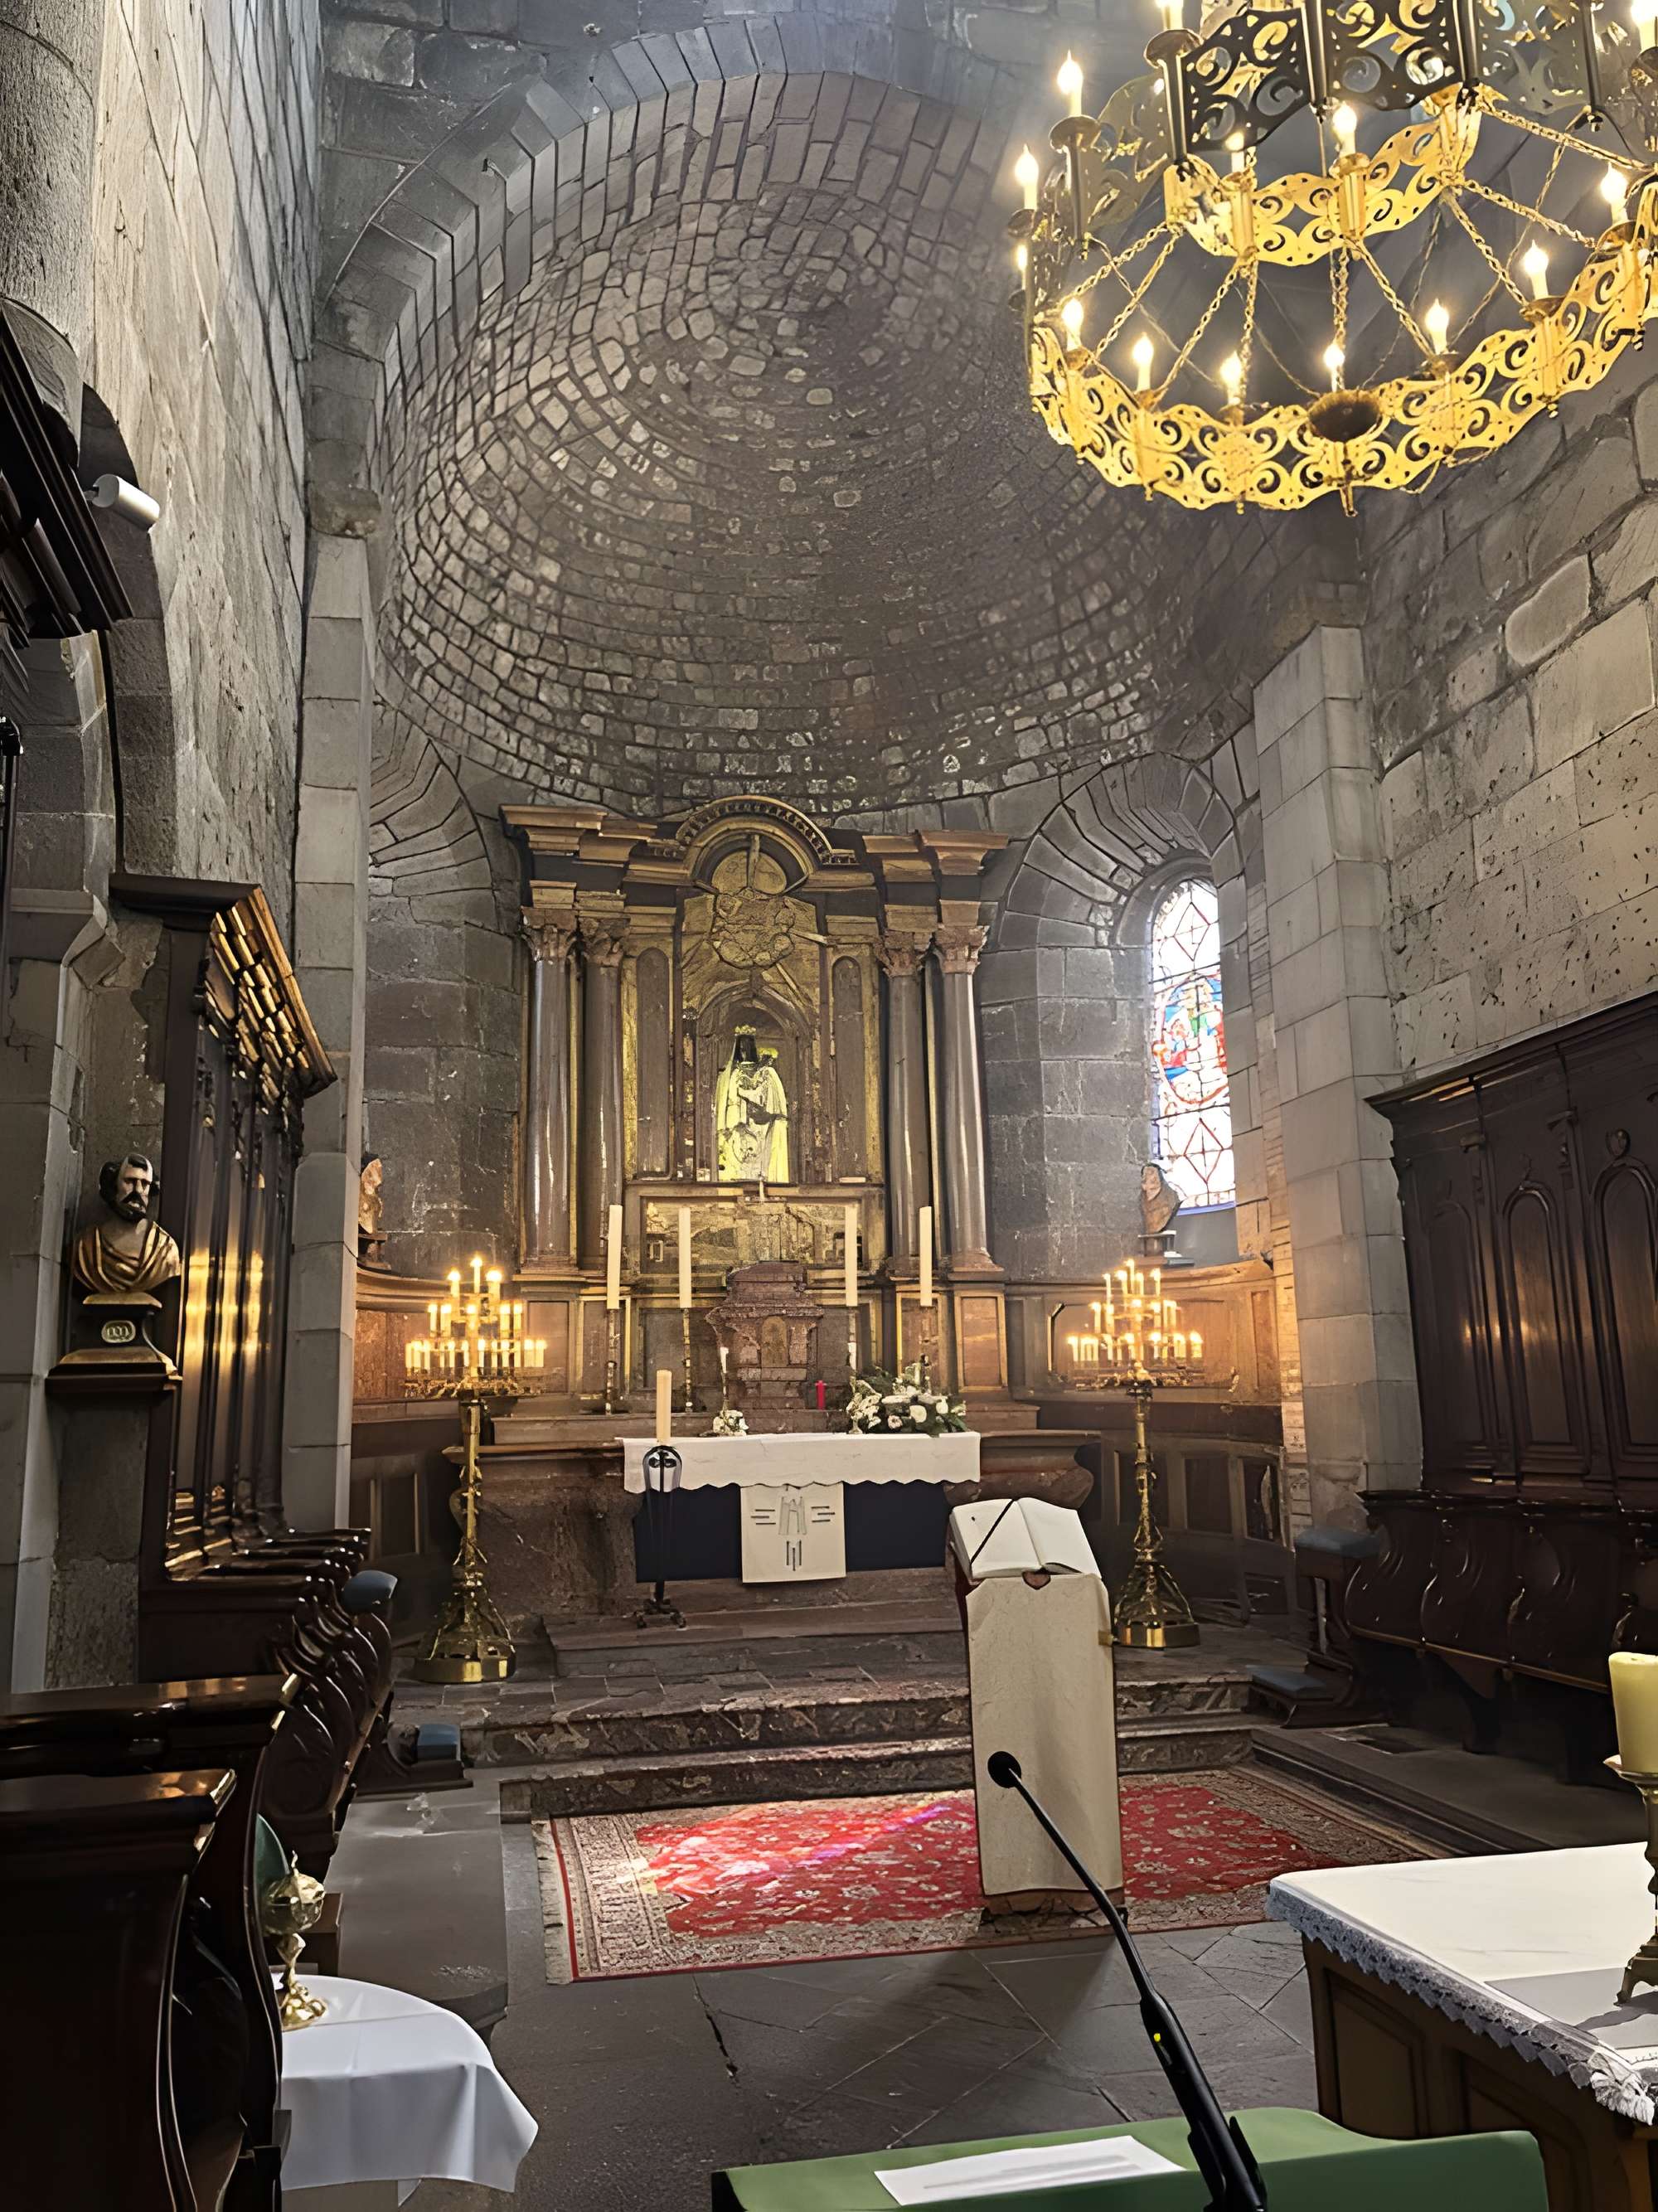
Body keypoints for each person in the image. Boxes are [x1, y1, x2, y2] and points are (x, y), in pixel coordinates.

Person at [71, 1152, 182, 1303]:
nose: (138, 1190)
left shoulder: (164, 1249)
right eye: (130, 1181)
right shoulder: (85, 1247)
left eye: (145, 1184)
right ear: (113, 1185)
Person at [715, 1029, 789, 1181]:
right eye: (741, 1049)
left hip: (761, 1126)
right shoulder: (734, 1074)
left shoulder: (767, 1073)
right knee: (739, 1161)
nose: (744, 1052)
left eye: (747, 1048)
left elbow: (769, 1102)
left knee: (760, 1162)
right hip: (739, 1125)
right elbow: (731, 1101)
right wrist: (734, 1123)